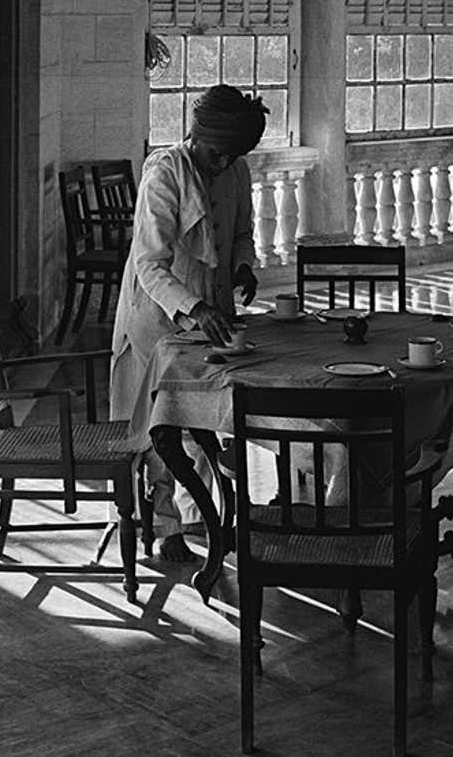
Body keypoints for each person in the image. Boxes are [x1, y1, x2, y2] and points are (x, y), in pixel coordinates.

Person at [109, 84, 266, 560]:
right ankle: (162, 523)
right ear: (198, 137)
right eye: (218, 154)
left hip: (213, 310)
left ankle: (200, 516)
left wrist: (243, 267)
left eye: (231, 156)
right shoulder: (164, 173)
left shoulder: (235, 169)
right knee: (162, 422)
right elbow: (149, 263)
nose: (222, 164)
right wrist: (194, 308)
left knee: (208, 414)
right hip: (159, 314)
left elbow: (241, 232)